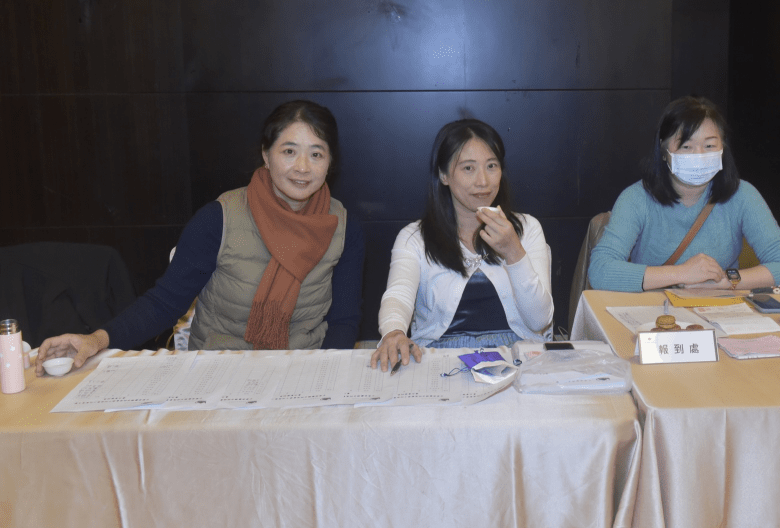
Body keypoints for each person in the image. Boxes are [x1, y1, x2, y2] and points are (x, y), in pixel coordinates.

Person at [36, 100, 364, 375]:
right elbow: (164, 303)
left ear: (330, 162)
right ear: (266, 155)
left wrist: (323, 376)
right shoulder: (218, 218)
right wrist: (96, 339)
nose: (303, 167)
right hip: (218, 370)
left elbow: (344, 321)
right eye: (289, 151)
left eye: (316, 154)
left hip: (300, 369)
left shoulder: (343, 226)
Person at [370, 119, 553, 371]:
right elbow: (398, 295)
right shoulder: (414, 237)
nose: (483, 181)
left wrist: (513, 251)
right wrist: (394, 332)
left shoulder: (526, 229)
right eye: (468, 168)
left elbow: (539, 320)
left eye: (491, 166)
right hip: (439, 356)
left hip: (516, 354)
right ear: (444, 175)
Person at [588, 96, 780, 292]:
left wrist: (723, 281)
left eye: (709, 145)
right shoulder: (636, 199)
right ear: (663, 151)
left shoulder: (742, 195)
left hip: (721, 311)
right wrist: (682, 274)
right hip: (654, 312)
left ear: (723, 148)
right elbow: (600, 271)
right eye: (686, 146)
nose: (699, 155)